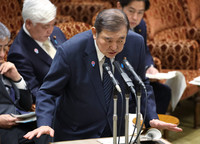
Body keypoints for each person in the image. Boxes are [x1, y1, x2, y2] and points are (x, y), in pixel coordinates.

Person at [24, 9, 182, 142]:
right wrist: (44, 122)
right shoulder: (70, 52)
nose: (115, 47)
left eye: (121, 40)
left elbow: (142, 84)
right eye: (108, 40)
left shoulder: (135, 44)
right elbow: (48, 91)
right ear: (94, 32)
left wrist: (151, 116)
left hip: (118, 132)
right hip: (78, 133)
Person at [117, 0, 171, 114]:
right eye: (131, 11)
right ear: (119, 6)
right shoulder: (111, 26)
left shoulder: (141, 26)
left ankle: (153, 128)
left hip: (138, 79)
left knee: (164, 92)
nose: (135, 17)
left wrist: (149, 66)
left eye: (140, 12)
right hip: (119, 81)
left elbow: (145, 51)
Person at [7, 0, 67, 102]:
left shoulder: (56, 31)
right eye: (45, 26)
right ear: (29, 23)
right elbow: (35, 93)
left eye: (52, 24)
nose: (51, 30)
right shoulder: (18, 54)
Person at [0, 22, 39, 144]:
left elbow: (26, 105)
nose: (2, 54)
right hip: (4, 132)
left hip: (22, 127)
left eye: (5, 47)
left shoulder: (6, 68)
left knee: (49, 129)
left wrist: (17, 79)